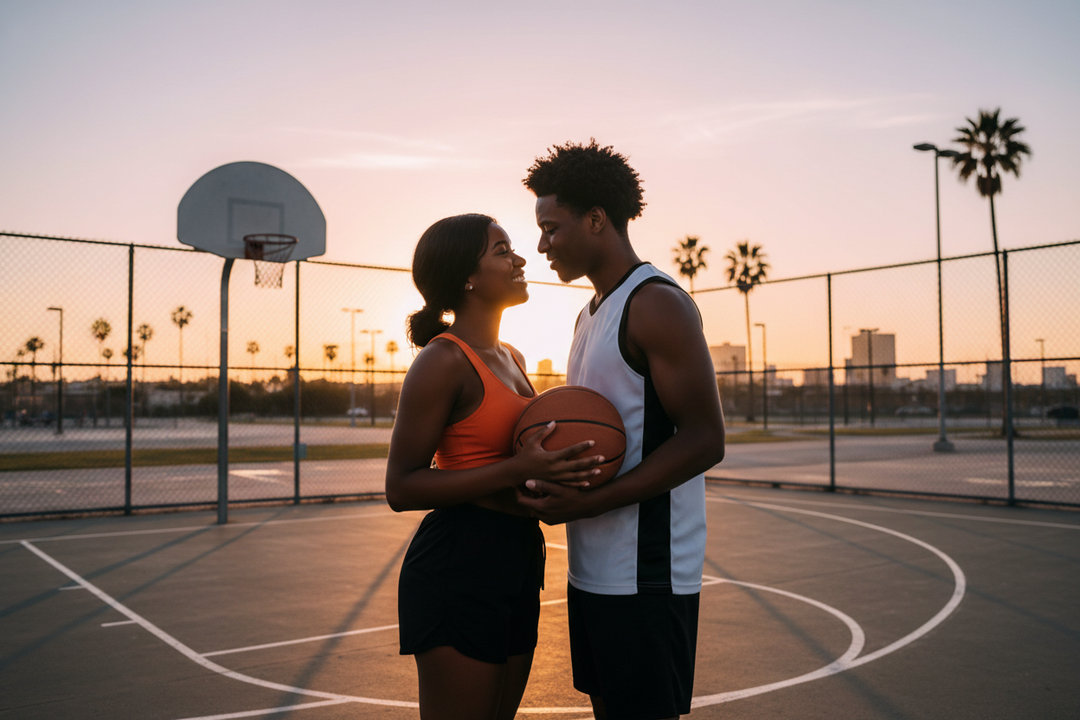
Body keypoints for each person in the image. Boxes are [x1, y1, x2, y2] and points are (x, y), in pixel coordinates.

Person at [518, 141, 726, 720]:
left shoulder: (656, 304)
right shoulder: (589, 314)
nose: (541, 245)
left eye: (551, 227)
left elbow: (706, 438)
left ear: (595, 220)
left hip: (649, 576)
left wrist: (590, 503)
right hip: (593, 568)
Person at [385, 213, 603, 720]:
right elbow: (401, 486)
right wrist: (514, 471)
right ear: (467, 276)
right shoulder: (442, 361)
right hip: (459, 558)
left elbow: (523, 461)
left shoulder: (512, 355)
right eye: (502, 250)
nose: (520, 258)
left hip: (519, 554)